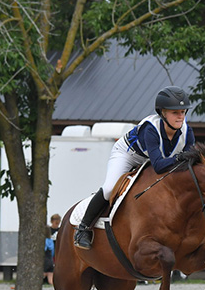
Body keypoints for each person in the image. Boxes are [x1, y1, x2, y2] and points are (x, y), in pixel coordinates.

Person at [73, 86, 197, 249]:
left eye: (183, 112)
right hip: (127, 154)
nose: (180, 117)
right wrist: (179, 157)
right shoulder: (150, 129)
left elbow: (187, 163)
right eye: (175, 112)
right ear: (162, 113)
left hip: (153, 159)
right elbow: (159, 166)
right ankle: (83, 229)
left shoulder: (187, 132)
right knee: (110, 188)